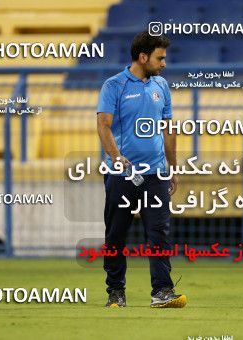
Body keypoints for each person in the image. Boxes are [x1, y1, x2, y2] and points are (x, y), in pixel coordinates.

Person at [96, 31, 185, 308]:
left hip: (155, 174)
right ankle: (115, 292)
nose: (164, 64)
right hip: (122, 175)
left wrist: (173, 167)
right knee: (116, 235)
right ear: (143, 57)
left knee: (158, 232)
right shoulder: (114, 86)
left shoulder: (162, 85)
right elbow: (104, 125)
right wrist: (116, 156)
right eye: (160, 58)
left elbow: (169, 129)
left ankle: (162, 291)